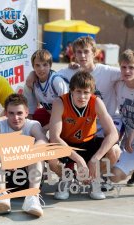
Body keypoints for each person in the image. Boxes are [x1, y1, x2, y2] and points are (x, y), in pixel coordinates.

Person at [26, 36, 122, 138]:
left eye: (86, 51)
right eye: (79, 52)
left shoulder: (107, 71)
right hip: (84, 123)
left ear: (94, 53)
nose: (83, 55)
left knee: (111, 150)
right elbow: (48, 74)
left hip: (109, 119)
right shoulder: (69, 72)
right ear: (75, 55)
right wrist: (33, 74)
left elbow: (128, 73)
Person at [49, 71, 120, 200]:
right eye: (78, 91)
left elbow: (113, 134)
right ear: (71, 90)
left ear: (91, 92)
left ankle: (93, 177)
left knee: (115, 151)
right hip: (66, 144)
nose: (82, 96)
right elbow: (54, 137)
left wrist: (95, 159)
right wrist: (79, 160)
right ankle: (68, 177)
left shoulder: (96, 102)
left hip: (88, 142)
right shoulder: (60, 103)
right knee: (51, 156)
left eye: (86, 92)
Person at [0, 93, 48, 217]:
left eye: (19, 113)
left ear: (26, 112)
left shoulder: (32, 124)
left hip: (26, 179)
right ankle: (2, 196)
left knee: (37, 152)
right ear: (6, 113)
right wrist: (3, 157)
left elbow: (43, 140)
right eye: (11, 113)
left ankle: (32, 198)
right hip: (3, 179)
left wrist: (22, 155)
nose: (16, 117)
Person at [23, 49, 68, 132]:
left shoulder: (56, 81)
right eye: (37, 65)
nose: (41, 69)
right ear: (33, 67)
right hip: (51, 114)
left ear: (50, 65)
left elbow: (68, 110)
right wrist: (28, 129)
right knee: (32, 119)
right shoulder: (31, 82)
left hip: (66, 117)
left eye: (45, 65)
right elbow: (29, 112)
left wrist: (45, 128)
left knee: (54, 137)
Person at [110, 50, 134, 185]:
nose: (127, 71)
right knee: (114, 176)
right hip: (130, 143)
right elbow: (95, 71)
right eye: (124, 67)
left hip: (132, 137)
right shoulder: (118, 84)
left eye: (132, 67)